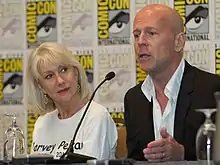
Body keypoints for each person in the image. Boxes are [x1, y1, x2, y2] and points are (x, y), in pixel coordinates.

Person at [124, 4, 220, 162]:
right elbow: (135, 159)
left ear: (179, 42)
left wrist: (183, 155)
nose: (140, 42)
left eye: (151, 33)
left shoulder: (212, 90)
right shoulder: (134, 99)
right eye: (136, 35)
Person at [24, 42, 117, 160]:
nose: (60, 81)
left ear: (76, 73)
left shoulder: (97, 117)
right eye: (49, 76)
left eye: (63, 70)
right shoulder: (42, 123)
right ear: (41, 87)